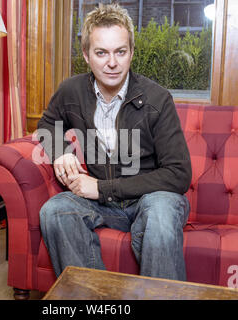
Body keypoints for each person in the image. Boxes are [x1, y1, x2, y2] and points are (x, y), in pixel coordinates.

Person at [37, 3, 192, 281]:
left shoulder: (158, 99)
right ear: (86, 55)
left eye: (120, 51)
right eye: (101, 53)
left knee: (160, 213)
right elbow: (48, 123)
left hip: (150, 199)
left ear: (131, 52)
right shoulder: (71, 90)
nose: (112, 62)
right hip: (102, 205)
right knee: (55, 210)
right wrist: (61, 152)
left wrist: (101, 187)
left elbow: (178, 175)